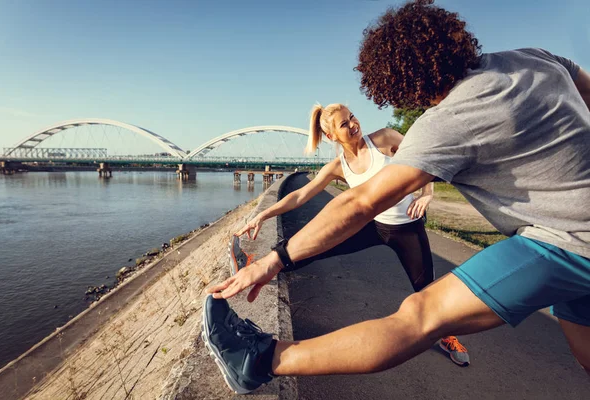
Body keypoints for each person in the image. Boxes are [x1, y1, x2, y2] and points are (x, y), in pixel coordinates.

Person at [203, 0, 590, 394]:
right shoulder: (535, 59)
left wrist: (276, 257)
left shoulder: (445, 122)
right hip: (557, 241)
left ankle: (257, 359)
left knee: (420, 315)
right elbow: (585, 85)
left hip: (566, 243)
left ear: (399, 84)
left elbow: (359, 203)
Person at [235, 102, 469, 365]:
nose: (353, 124)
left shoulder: (385, 139)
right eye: (344, 124)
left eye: (352, 117)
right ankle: (262, 266)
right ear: (332, 136)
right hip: (370, 224)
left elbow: (426, 161)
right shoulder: (338, 166)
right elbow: (300, 195)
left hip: (407, 227)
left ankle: (447, 335)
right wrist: (262, 215)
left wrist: (427, 196)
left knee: (425, 287)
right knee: (317, 246)